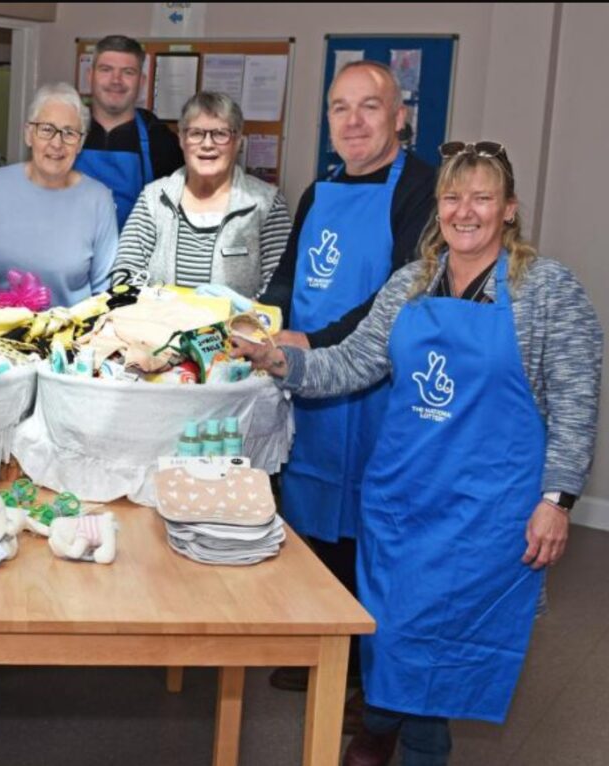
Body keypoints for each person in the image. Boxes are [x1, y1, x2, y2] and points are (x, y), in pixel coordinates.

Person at [236, 141, 602, 766]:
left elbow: (575, 404)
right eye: (453, 197)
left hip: (490, 511)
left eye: (482, 197)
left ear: (509, 210)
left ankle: (412, 744)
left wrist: (557, 500)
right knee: (394, 631)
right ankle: (382, 726)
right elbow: (352, 363)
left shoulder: (545, 291)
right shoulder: (410, 283)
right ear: (438, 208)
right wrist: (277, 359)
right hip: (404, 500)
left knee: (450, 639)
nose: (466, 212)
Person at [258, 61, 436, 695]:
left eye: (369, 106)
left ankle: (371, 678)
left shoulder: (422, 189)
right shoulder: (318, 191)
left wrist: (314, 340)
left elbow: (400, 292)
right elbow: (285, 276)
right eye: (340, 108)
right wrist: (265, 324)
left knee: (373, 524)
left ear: (400, 117)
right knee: (311, 510)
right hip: (306, 379)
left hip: (378, 385)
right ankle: (326, 643)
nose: (353, 121)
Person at [112, 91, 292, 298]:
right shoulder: (154, 198)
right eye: (196, 133)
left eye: (220, 134)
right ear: (181, 139)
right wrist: (156, 313)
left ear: (238, 142)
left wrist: (237, 322)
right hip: (160, 327)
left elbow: (279, 286)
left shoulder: (266, 203)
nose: (207, 144)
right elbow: (124, 272)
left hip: (236, 329)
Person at [0, 82, 117, 308]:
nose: (57, 143)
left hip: (70, 337)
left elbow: (104, 291)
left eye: (69, 133)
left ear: (80, 143)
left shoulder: (98, 199)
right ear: (29, 134)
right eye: (46, 129)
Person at [75, 34, 184, 230]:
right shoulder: (65, 130)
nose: (116, 80)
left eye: (128, 72)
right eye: (106, 70)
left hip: (136, 257)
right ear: (90, 76)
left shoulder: (160, 138)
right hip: (72, 253)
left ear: (141, 81)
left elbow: (177, 215)